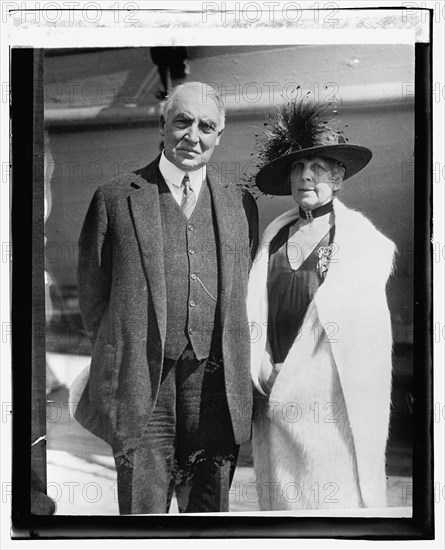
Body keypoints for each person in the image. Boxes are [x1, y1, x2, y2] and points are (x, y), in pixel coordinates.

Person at [73, 82, 258, 514]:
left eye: (206, 127)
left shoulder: (240, 202)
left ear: (219, 136)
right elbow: (93, 298)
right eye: (183, 121)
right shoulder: (116, 197)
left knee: (208, 513)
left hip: (214, 383)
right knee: (142, 511)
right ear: (162, 124)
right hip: (142, 383)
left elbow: (241, 288)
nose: (193, 136)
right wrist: (124, 352)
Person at [247, 99, 396, 510]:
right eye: (297, 167)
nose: (306, 175)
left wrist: (299, 377)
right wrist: (259, 361)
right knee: (282, 511)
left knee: (330, 507)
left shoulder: (359, 246)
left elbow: (362, 344)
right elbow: (254, 311)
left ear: (339, 177)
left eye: (317, 166)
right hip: (273, 399)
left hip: (329, 407)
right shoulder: (273, 239)